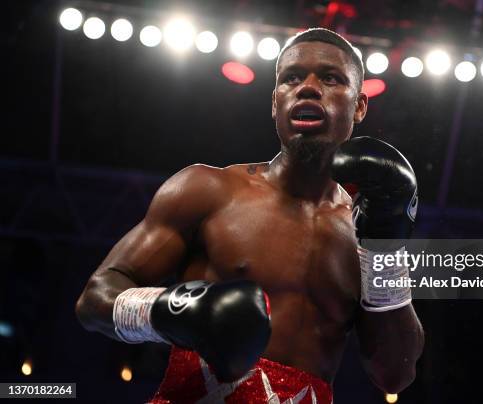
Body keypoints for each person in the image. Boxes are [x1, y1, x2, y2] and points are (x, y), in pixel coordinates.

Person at [75, 27, 424, 404]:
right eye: (292, 78)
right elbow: (95, 299)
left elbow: (395, 373)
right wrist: (171, 311)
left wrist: (387, 242)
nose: (307, 88)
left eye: (330, 78)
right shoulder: (207, 190)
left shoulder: (366, 237)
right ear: (276, 102)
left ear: (359, 105)